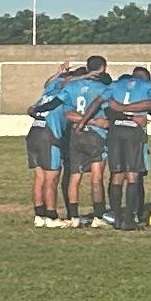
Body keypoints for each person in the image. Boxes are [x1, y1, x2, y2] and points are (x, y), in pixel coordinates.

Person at [24, 62, 89, 228]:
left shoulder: (53, 86)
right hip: (49, 134)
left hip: (34, 132)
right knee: (51, 177)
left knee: (39, 177)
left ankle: (40, 215)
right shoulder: (68, 90)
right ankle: (52, 216)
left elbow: (48, 82)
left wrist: (59, 73)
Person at [100, 59, 151, 229]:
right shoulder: (143, 90)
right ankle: (131, 215)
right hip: (134, 135)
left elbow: (109, 109)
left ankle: (117, 216)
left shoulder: (118, 87)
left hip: (116, 134)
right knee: (135, 175)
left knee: (117, 175)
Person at [59, 58, 113, 228]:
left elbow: (67, 113)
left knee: (75, 176)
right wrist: (95, 122)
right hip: (96, 136)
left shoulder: (72, 87)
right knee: (97, 177)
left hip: (76, 134)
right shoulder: (103, 89)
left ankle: (74, 217)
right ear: (103, 68)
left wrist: (82, 123)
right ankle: (98, 216)